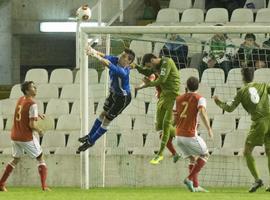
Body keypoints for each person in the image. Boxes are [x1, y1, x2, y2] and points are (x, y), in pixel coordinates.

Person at [213, 67, 270, 193]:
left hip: (259, 123)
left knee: (247, 151)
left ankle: (257, 180)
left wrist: (218, 102)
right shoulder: (264, 85)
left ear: (243, 77)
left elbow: (229, 108)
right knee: (269, 151)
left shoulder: (241, 91)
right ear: (253, 76)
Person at [77, 46, 135, 153]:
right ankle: (89, 136)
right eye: (121, 55)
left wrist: (94, 55)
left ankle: (91, 141)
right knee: (102, 114)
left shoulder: (123, 72)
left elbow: (107, 63)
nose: (120, 57)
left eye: (123, 56)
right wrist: (94, 51)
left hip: (123, 98)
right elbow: (106, 56)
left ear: (129, 61)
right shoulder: (117, 60)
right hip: (114, 93)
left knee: (107, 119)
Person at [0, 81, 50, 192]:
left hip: (15, 135)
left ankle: (1, 183)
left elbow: (22, 113)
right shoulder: (33, 104)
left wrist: (37, 114)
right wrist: (39, 130)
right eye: (33, 87)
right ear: (27, 90)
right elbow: (31, 125)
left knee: (15, 159)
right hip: (25, 137)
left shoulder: (20, 99)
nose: (35, 88)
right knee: (40, 157)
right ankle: (44, 186)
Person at [135, 53, 180, 164]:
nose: (150, 69)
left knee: (165, 128)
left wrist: (144, 85)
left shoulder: (165, 64)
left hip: (172, 99)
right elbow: (146, 76)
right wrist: (135, 68)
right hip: (163, 100)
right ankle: (175, 153)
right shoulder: (155, 69)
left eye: (149, 66)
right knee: (161, 130)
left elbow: (154, 79)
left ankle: (162, 154)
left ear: (152, 60)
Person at [174, 76, 213, 192]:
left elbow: (175, 119)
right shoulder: (200, 98)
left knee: (193, 159)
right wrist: (209, 129)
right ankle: (189, 178)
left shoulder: (178, 99)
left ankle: (195, 186)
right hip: (189, 135)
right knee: (205, 155)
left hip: (178, 136)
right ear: (198, 85)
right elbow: (202, 112)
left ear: (186, 86)